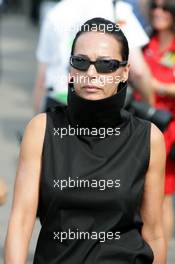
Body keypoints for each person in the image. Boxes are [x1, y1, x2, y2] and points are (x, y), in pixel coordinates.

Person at [5, 17, 166, 263]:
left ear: (124, 73)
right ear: (71, 70)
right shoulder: (41, 130)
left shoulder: (149, 137)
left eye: (105, 65)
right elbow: (21, 221)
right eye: (81, 62)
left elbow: (154, 234)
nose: (91, 73)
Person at [33, 0, 154, 113]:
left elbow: (42, 77)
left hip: (57, 103)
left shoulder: (55, 13)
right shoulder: (117, 9)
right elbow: (138, 72)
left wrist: (37, 121)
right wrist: (150, 108)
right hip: (102, 105)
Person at [142, 0, 175, 247]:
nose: (158, 12)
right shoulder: (146, 42)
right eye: (155, 6)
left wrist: (157, 87)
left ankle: (159, 254)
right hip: (144, 123)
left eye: (165, 8)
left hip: (169, 129)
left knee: (163, 195)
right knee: (145, 193)